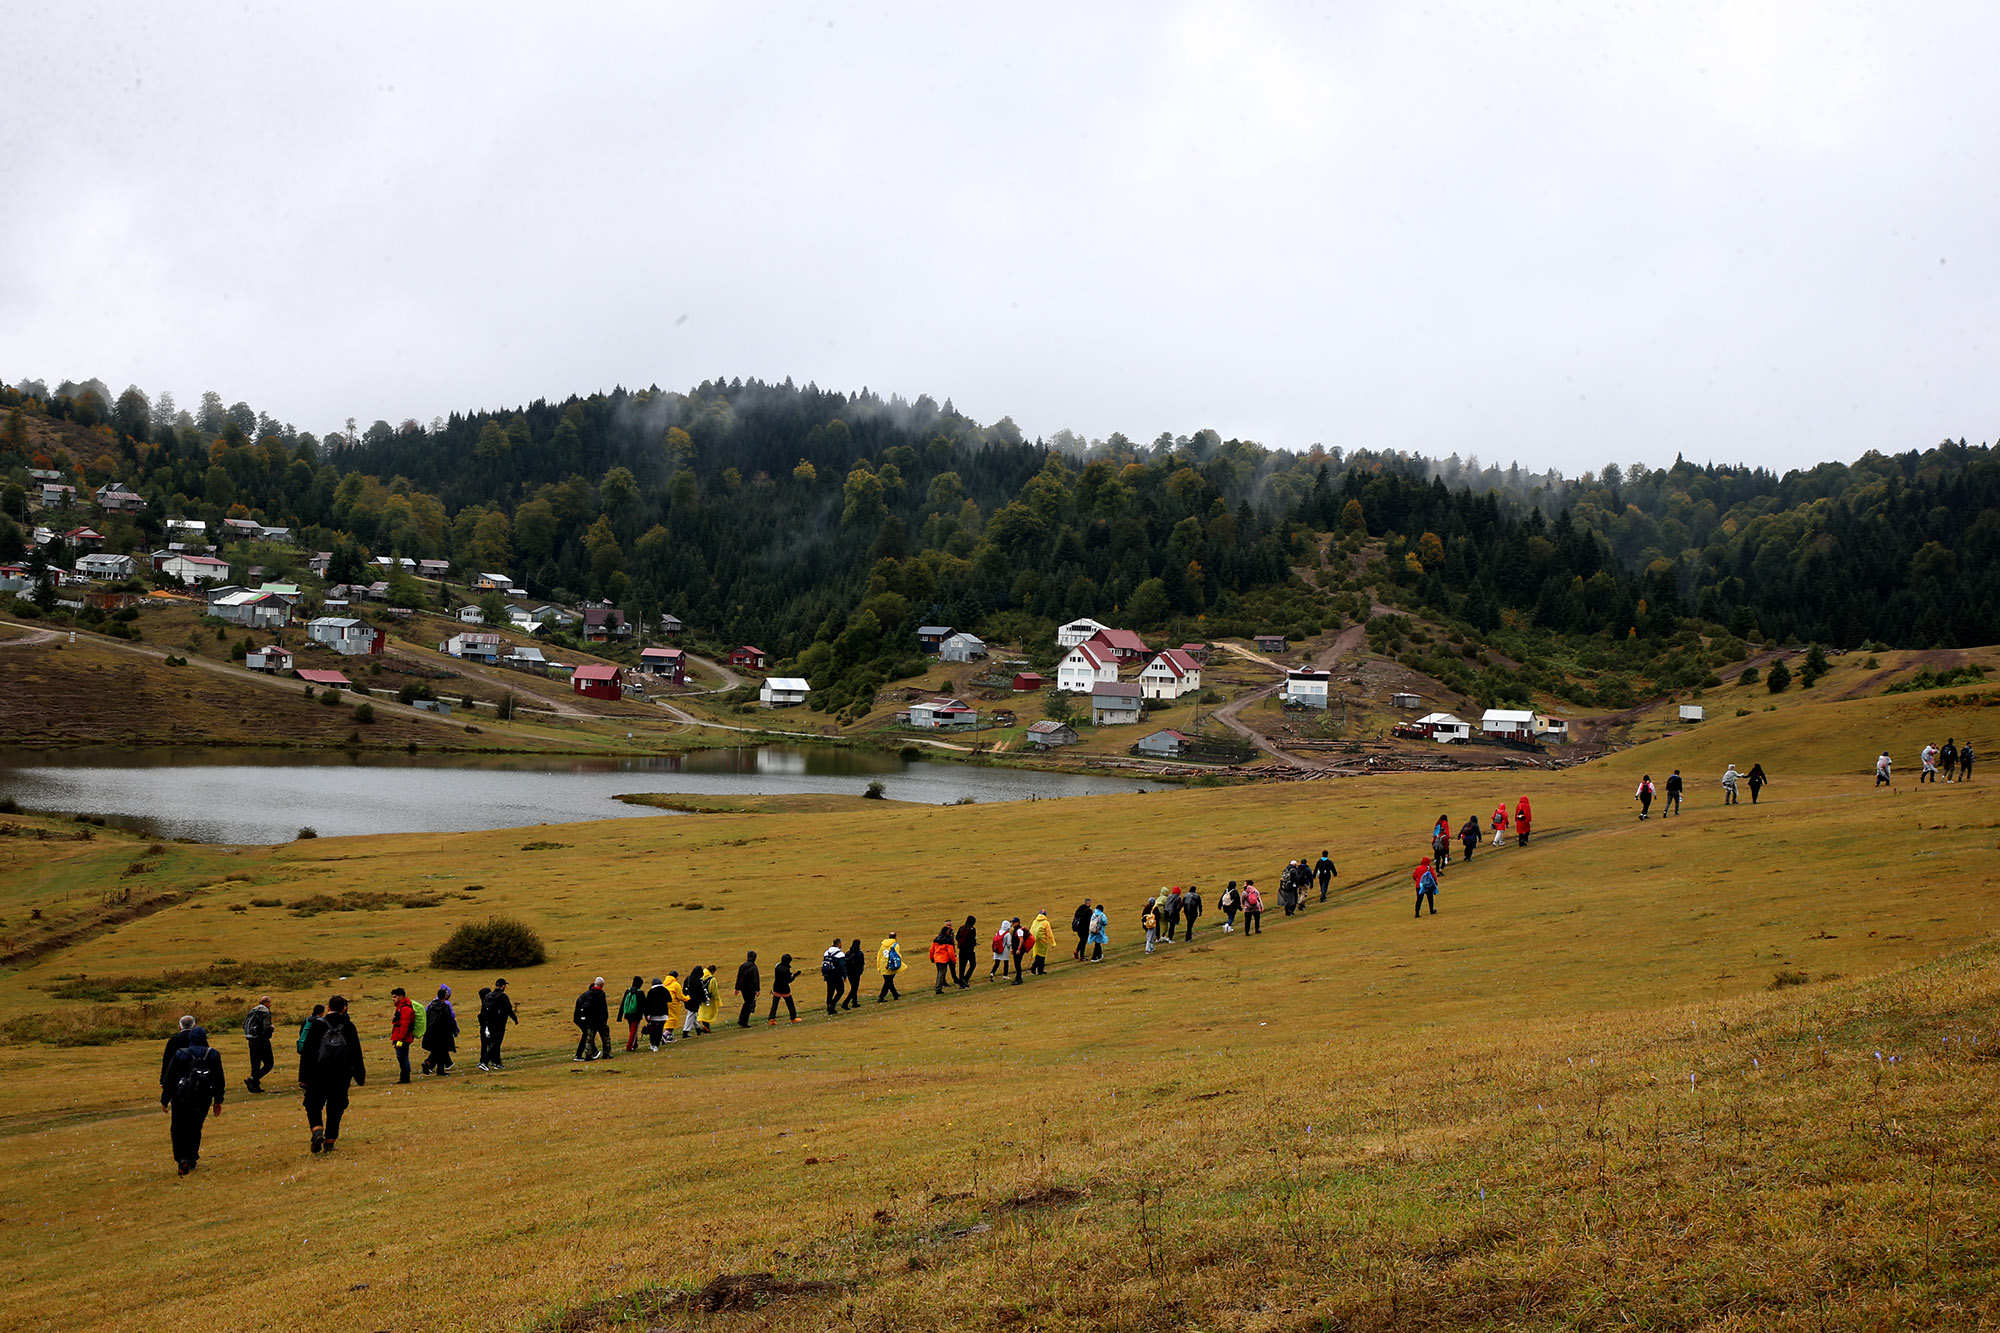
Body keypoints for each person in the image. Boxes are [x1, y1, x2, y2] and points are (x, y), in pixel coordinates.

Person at [298, 994, 364, 1155]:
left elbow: (307, 1052)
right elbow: (356, 1052)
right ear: (344, 1008)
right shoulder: (349, 1026)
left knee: (312, 1104)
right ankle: (330, 1140)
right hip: (341, 1074)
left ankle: (317, 1129)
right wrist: (359, 1075)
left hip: (318, 1073)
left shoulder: (317, 1025)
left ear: (328, 1008)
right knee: (336, 1107)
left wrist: (303, 1077)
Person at [161, 1024, 224, 1175]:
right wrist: (218, 1099)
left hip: (181, 1096)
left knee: (178, 1127)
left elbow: (169, 1078)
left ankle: (181, 1158)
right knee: (195, 1127)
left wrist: (165, 1099)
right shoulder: (213, 1054)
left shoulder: (180, 1054)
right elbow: (219, 1079)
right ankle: (192, 1158)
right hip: (203, 1097)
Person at [422, 984, 459, 1075]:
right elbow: (450, 1020)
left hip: (431, 1031)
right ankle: (431, 1065)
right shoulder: (445, 1007)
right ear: (446, 996)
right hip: (443, 1032)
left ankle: (435, 1067)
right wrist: (454, 1030)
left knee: (439, 1050)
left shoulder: (431, 1005)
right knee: (441, 1050)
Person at [241, 995, 274, 1094]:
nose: (270, 1005)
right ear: (265, 1003)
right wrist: (271, 1029)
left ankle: (254, 1086)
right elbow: (266, 1028)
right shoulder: (265, 1012)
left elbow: (244, 1025)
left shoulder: (252, 1011)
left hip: (252, 1041)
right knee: (269, 1064)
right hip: (262, 1041)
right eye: (269, 1003)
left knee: (255, 1064)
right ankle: (252, 1079)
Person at [481, 979, 517, 1068]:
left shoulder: (488, 995)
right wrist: (515, 1019)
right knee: (496, 1042)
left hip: (489, 1022)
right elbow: (509, 1009)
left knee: (494, 1042)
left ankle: (497, 1063)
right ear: (503, 986)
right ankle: (484, 1062)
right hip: (499, 1023)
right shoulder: (503, 996)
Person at [571, 978, 609, 1062]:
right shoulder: (599, 995)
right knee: (588, 1036)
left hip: (582, 1019)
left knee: (588, 1035)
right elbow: (603, 1008)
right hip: (588, 1019)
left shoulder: (584, 996)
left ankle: (592, 1052)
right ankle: (580, 1054)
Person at [160, 1014, 197, 1097]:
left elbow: (167, 1061)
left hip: (177, 1076)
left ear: (180, 1027)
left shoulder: (174, 1040)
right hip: (197, 1076)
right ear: (194, 1026)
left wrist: (163, 1080)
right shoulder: (199, 1039)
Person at [388, 988, 415, 1083]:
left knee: (403, 1057)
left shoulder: (405, 1009)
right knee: (402, 1057)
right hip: (401, 1037)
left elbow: (404, 1025)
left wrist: (400, 1039)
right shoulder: (401, 1008)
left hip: (403, 1038)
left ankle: (405, 1078)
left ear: (401, 997)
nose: (393, 999)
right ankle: (404, 1077)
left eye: (395, 997)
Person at [768, 954, 800, 1024]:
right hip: (784, 989)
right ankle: (793, 1018)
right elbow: (788, 980)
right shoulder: (786, 969)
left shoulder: (777, 966)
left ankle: (771, 1019)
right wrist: (794, 976)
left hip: (776, 987)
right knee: (790, 1004)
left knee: (775, 1004)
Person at [929, 924, 959, 994]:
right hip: (943, 959)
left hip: (937, 958)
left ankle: (938, 987)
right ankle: (938, 989)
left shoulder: (936, 939)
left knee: (940, 973)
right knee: (941, 973)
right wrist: (954, 960)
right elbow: (951, 952)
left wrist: (931, 957)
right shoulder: (948, 941)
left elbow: (932, 950)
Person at [734, 952, 761, 1028]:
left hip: (743, 988)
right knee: (749, 1004)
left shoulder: (742, 966)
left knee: (747, 1003)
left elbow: (739, 977)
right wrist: (757, 989)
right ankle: (743, 1021)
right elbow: (756, 979)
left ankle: (742, 1020)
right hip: (750, 988)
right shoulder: (754, 967)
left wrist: (737, 988)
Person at [643, 977, 671, 1050]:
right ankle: (657, 1043)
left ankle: (653, 1044)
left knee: (653, 1031)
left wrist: (648, 1015)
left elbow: (648, 1004)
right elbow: (670, 999)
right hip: (664, 1015)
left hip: (654, 1015)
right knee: (660, 1030)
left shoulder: (651, 992)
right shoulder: (665, 990)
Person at [681, 965, 707, 1041]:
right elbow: (700, 991)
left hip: (687, 999)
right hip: (694, 1001)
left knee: (693, 1014)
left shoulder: (688, 979)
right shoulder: (697, 981)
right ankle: (686, 1031)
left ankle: (698, 1028)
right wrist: (704, 999)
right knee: (691, 1014)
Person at [620, 976, 646, 1052]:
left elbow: (623, 1003)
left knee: (631, 1029)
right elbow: (644, 1005)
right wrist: (647, 1016)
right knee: (633, 1030)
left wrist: (620, 1016)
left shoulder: (627, 991)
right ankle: (630, 1046)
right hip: (636, 1015)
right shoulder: (640, 993)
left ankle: (634, 1044)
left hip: (628, 1014)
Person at [821, 939, 847, 1014]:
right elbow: (842, 966)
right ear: (838, 944)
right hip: (836, 975)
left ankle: (829, 1006)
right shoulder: (840, 954)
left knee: (830, 991)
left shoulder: (826, 952)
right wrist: (844, 976)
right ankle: (832, 1005)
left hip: (827, 974)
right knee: (841, 990)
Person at [877, 933, 905, 1000]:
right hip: (891, 965)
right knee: (888, 982)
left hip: (883, 965)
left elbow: (879, 955)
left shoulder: (883, 945)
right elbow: (897, 955)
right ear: (895, 938)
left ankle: (895, 994)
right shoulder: (895, 945)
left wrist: (879, 966)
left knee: (888, 981)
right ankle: (882, 996)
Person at [954, 916, 979, 988]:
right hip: (970, 950)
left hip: (961, 950)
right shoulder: (972, 929)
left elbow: (957, 937)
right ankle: (965, 979)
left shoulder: (961, 928)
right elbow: (972, 940)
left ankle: (961, 982)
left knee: (962, 966)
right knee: (973, 965)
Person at [663, 970, 688, 1041]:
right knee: (673, 1020)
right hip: (673, 1003)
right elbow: (680, 996)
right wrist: (688, 998)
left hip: (665, 1003)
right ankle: (665, 1035)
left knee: (668, 1019)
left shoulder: (664, 984)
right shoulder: (676, 984)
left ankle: (669, 1037)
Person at [843, 938, 865, 1009]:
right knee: (854, 988)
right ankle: (846, 1003)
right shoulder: (859, 953)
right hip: (856, 973)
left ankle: (854, 1001)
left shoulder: (848, 953)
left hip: (849, 973)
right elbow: (862, 964)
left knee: (853, 987)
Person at [698, 965, 720, 1034]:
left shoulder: (700, 977)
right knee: (709, 1013)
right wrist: (717, 999)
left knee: (703, 1013)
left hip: (701, 998)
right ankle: (707, 1027)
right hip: (709, 999)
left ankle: (705, 1026)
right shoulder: (712, 979)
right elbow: (714, 991)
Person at [1008, 918, 1030, 985]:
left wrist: (1018, 949)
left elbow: (1021, 940)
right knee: (1017, 964)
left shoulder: (1019, 930)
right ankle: (1018, 978)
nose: (1012, 924)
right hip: (1016, 949)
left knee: (1017, 964)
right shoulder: (1016, 930)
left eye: (1013, 922)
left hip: (1019, 949)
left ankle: (1019, 979)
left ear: (1017, 923)